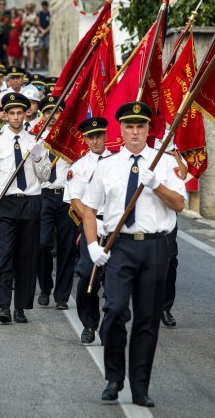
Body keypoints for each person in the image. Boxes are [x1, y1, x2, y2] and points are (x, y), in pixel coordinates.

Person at [81, 101, 186, 408]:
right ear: (121, 130)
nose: (135, 132)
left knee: (147, 318)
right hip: (120, 246)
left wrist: (156, 185)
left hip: (155, 246)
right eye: (129, 126)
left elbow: (179, 203)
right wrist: (92, 245)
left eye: (140, 126)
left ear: (148, 130)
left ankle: (140, 387)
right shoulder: (107, 166)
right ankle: (114, 378)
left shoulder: (163, 163)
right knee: (113, 310)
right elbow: (89, 208)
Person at [0, 92, 51, 324]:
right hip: (5, 202)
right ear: (5, 115)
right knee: (6, 254)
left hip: (31, 201)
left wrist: (39, 158)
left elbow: (45, 177)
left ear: (26, 114)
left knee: (27, 256)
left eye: (20, 113)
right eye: (12, 113)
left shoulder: (34, 141)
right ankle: (3, 306)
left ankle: (21, 306)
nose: (17, 117)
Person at [64, 116, 109, 344]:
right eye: (90, 137)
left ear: (105, 136)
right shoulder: (79, 166)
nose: (95, 141)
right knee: (86, 276)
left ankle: (110, 324)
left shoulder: (118, 162)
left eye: (99, 135)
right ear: (85, 139)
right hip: (91, 223)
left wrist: (110, 221)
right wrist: (93, 221)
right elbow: (75, 200)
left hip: (115, 225)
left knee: (114, 277)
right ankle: (89, 324)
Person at [35, 96, 77, 310]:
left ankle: (62, 295)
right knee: (42, 244)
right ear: (43, 116)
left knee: (67, 248)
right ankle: (44, 287)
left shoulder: (72, 139)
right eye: (48, 112)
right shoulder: (36, 139)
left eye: (57, 112)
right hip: (44, 196)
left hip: (66, 197)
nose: (53, 117)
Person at [20, 3, 40, 70]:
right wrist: (25, 21)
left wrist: (31, 22)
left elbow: (37, 23)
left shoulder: (35, 14)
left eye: (30, 8)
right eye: (28, 8)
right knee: (27, 49)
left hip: (32, 33)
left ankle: (31, 65)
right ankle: (28, 64)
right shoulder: (24, 14)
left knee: (32, 48)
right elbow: (21, 24)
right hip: (26, 33)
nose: (29, 9)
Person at [37, 1, 50, 71]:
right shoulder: (40, 13)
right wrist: (42, 31)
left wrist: (45, 31)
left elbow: (51, 23)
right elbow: (38, 23)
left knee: (47, 49)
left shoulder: (49, 14)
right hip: (41, 33)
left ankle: (47, 64)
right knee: (41, 49)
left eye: (45, 5)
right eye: (43, 6)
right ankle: (40, 64)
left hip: (47, 33)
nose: (44, 7)